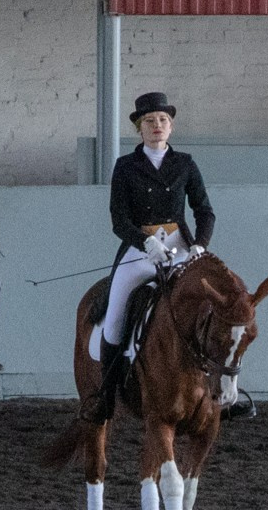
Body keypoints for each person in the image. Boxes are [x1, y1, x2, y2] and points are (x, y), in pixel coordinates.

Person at [87, 91, 215, 423]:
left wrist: (200, 245)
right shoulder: (125, 166)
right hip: (140, 249)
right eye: (149, 121)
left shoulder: (185, 163)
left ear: (170, 127)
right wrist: (145, 243)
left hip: (181, 247)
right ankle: (107, 394)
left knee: (213, 305)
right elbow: (119, 220)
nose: (156, 126)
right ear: (139, 129)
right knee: (115, 315)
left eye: (162, 120)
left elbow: (204, 211)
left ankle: (221, 392)